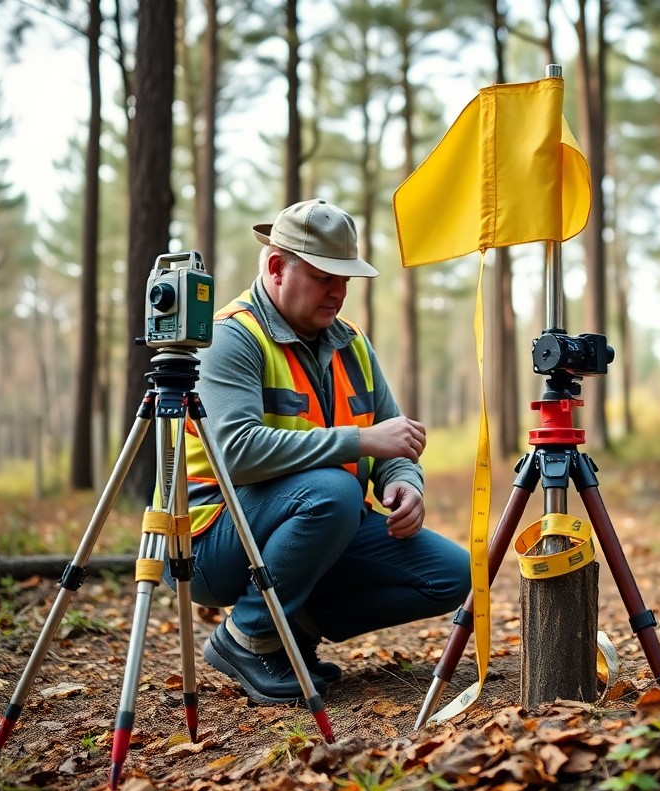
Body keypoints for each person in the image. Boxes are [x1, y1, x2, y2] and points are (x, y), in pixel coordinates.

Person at [179, 198, 471, 705]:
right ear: (276, 268)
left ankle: (289, 629)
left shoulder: (352, 341)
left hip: (311, 523)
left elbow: (391, 437)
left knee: (452, 575)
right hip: (210, 539)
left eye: (345, 280)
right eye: (323, 277)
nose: (338, 292)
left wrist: (404, 481)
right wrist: (360, 442)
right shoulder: (231, 337)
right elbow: (236, 454)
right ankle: (247, 638)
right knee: (332, 489)